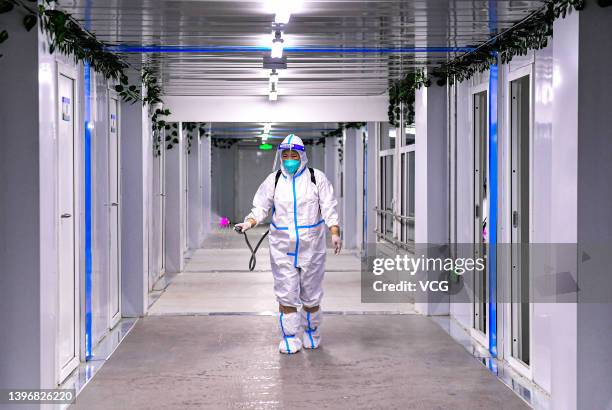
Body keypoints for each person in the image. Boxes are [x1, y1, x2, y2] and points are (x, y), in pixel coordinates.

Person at [235, 134, 341, 354]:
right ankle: (290, 337)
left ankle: (311, 333)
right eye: (286, 155)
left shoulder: (316, 178)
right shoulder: (273, 180)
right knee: (286, 292)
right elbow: (261, 207)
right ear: (281, 156)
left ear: (302, 156)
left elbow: (329, 206)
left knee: (311, 294)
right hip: (282, 247)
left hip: (312, 246)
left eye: (294, 155)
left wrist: (334, 231)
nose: (290, 159)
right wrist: (249, 222)